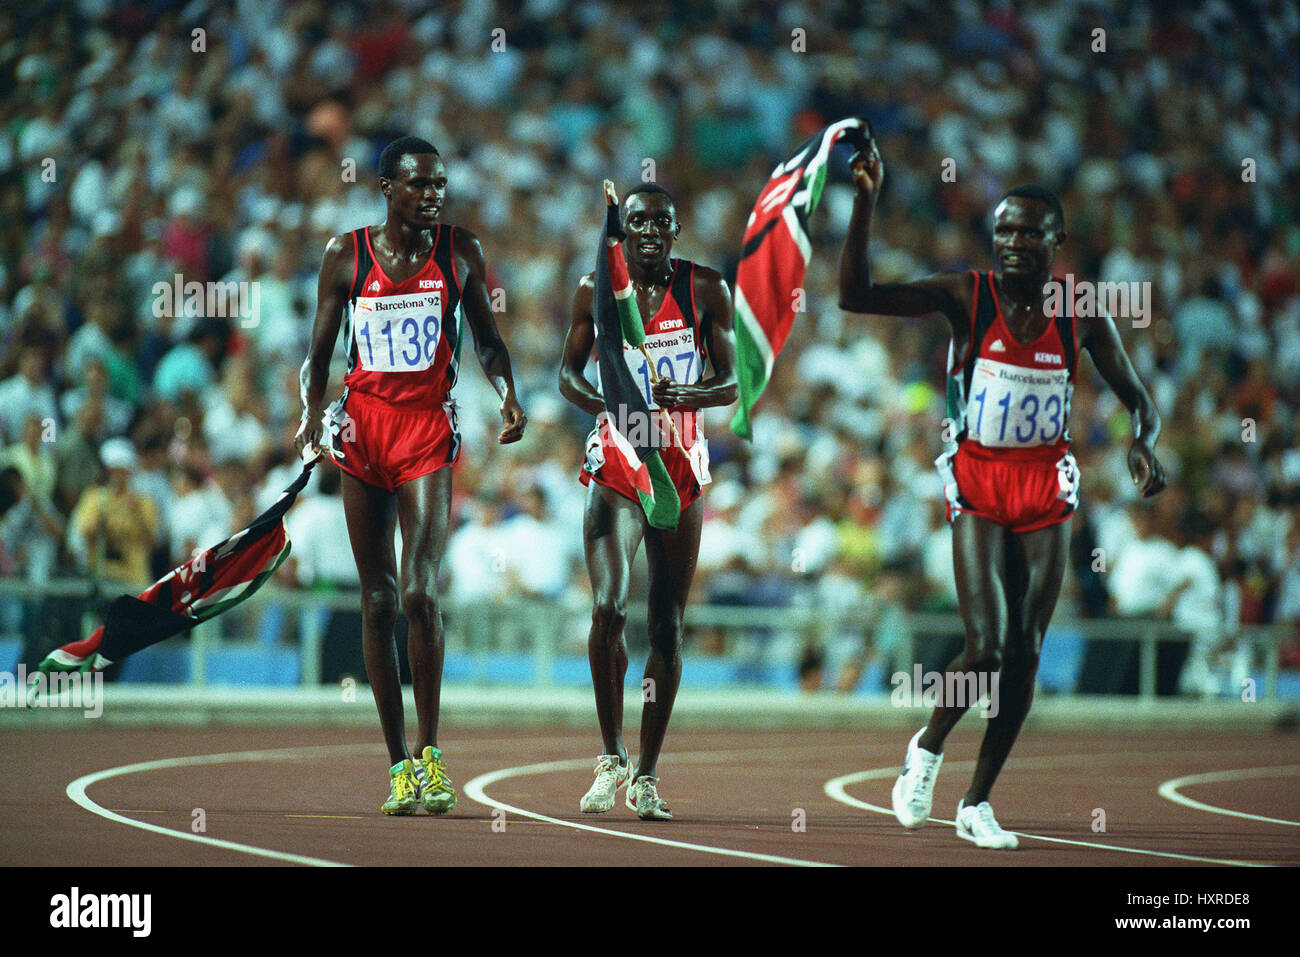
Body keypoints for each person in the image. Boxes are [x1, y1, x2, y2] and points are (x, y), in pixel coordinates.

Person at [838, 139, 1166, 848]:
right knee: (986, 644)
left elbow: (1139, 398)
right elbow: (854, 296)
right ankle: (924, 751)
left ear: (1057, 240)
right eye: (1004, 230)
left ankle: (976, 802)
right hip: (981, 477)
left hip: (1046, 483)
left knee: (1026, 649)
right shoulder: (968, 293)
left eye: (1028, 230)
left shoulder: (1083, 311)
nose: (1014, 241)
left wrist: (1143, 440)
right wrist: (865, 201)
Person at [295, 136, 527, 816]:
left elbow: (487, 337)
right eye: (419, 185)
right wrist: (312, 415)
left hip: (427, 427)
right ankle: (395, 761)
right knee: (378, 600)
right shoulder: (347, 255)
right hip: (362, 428)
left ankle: (431, 753)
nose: (432, 196)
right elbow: (318, 352)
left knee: (422, 592)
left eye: (440, 186)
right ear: (387, 189)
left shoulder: (460, 251)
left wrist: (509, 392)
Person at [559, 180, 736, 820]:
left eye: (663, 222)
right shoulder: (596, 291)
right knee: (609, 607)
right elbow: (566, 374)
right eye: (639, 223)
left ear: (676, 230)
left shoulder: (706, 288)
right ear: (623, 232)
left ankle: (649, 774)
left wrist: (683, 397)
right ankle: (611, 756)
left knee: (667, 624)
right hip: (619, 458)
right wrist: (612, 403)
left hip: (681, 461)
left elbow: (732, 379)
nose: (651, 233)